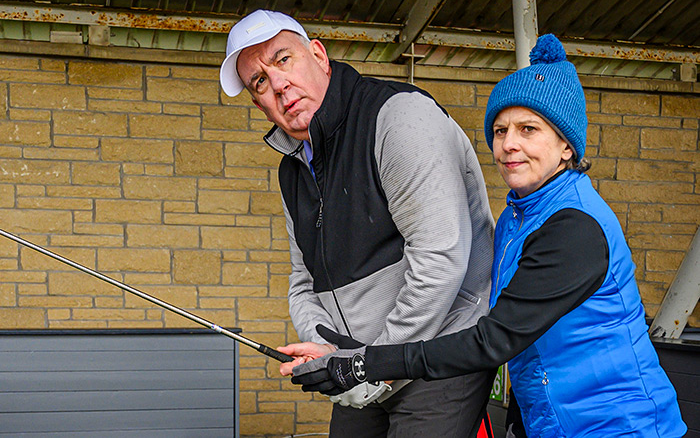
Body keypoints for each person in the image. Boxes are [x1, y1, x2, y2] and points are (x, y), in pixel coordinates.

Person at [290, 34, 688, 437]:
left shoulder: (574, 227)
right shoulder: (520, 216)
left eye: (528, 129)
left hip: (619, 425)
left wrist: (366, 362)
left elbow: (493, 340)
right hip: (555, 421)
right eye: (500, 131)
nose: (509, 144)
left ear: (566, 146)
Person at [219, 10, 497, 436]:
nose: (277, 84)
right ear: (259, 105)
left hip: (440, 355)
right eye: (259, 81)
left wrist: (366, 365)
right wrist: (330, 352)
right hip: (364, 367)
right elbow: (302, 280)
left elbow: (440, 260)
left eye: (283, 60)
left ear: (319, 55)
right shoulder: (292, 169)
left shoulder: (399, 119)